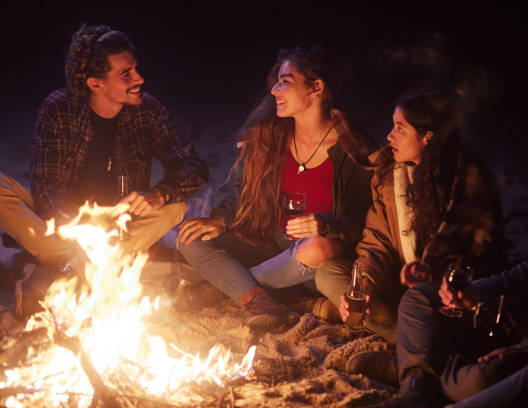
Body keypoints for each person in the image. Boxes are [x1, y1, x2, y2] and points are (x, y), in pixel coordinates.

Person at [385, 112, 528, 407]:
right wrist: (478, 292)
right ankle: (419, 382)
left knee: (468, 383)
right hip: (525, 323)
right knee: (418, 299)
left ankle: (424, 374)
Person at [0, 24, 207, 315]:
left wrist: (159, 194)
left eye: (135, 69)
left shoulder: (148, 111)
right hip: (63, 227)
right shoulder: (59, 109)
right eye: (126, 74)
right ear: (95, 83)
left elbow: (193, 166)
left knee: (176, 207)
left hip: (119, 229)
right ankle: (75, 262)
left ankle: (56, 266)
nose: (139, 79)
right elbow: (46, 186)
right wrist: (81, 231)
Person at [177, 47, 377, 326]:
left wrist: (325, 223)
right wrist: (219, 219)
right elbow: (240, 190)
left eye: (286, 81)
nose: (275, 91)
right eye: (277, 81)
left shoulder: (353, 150)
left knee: (319, 247)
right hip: (266, 238)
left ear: (316, 87)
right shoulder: (271, 137)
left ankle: (230, 289)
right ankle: (264, 292)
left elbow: (363, 223)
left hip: (311, 259)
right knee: (190, 237)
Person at [315, 89, 505, 344]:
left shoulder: (467, 183)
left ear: (428, 136)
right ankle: (405, 335)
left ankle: (410, 338)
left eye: (400, 128)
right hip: (399, 283)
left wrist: (428, 275)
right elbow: (376, 241)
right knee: (329, 273)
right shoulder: (389, 175)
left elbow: (477, 261)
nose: (389, 136)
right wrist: (366, 286)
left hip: (446, 294)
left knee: (433, 309)